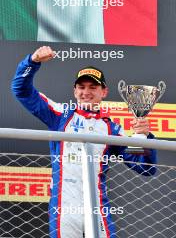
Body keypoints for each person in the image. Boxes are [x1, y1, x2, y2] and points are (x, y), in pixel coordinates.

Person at [12, 46, 157, 238]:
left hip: (97, 208)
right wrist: (32, 61)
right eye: (81, 87)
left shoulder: (113, 130)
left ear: (104, 92)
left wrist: (145, 138)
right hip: (64, 207)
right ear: (74, 91)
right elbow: (21, 91)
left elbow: (145, 168)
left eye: (93, 87)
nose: (86, 92)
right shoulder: (59, 115)